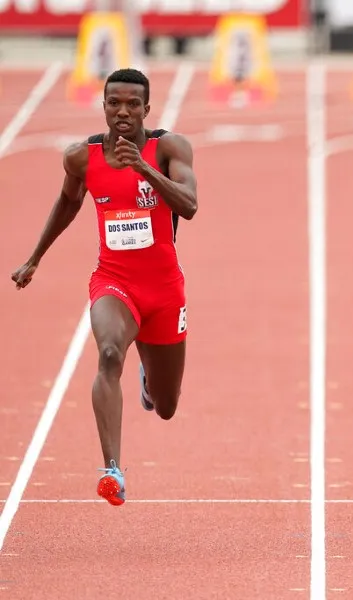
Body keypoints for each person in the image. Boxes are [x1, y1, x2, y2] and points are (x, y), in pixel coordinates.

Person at [10, 68, 198, 507]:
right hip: (114, 281)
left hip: (165, 290)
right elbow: (68, 202)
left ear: (147, 109)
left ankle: (150, 384)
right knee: (109, 352)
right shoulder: (81, 157)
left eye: (133, 104)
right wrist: (35, 257)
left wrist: (145, 170)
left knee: (168, 406)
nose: (123, 111)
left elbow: (189, 206)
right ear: (104, 107)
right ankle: (112, 469)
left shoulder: (169, 148)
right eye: (114, 103)